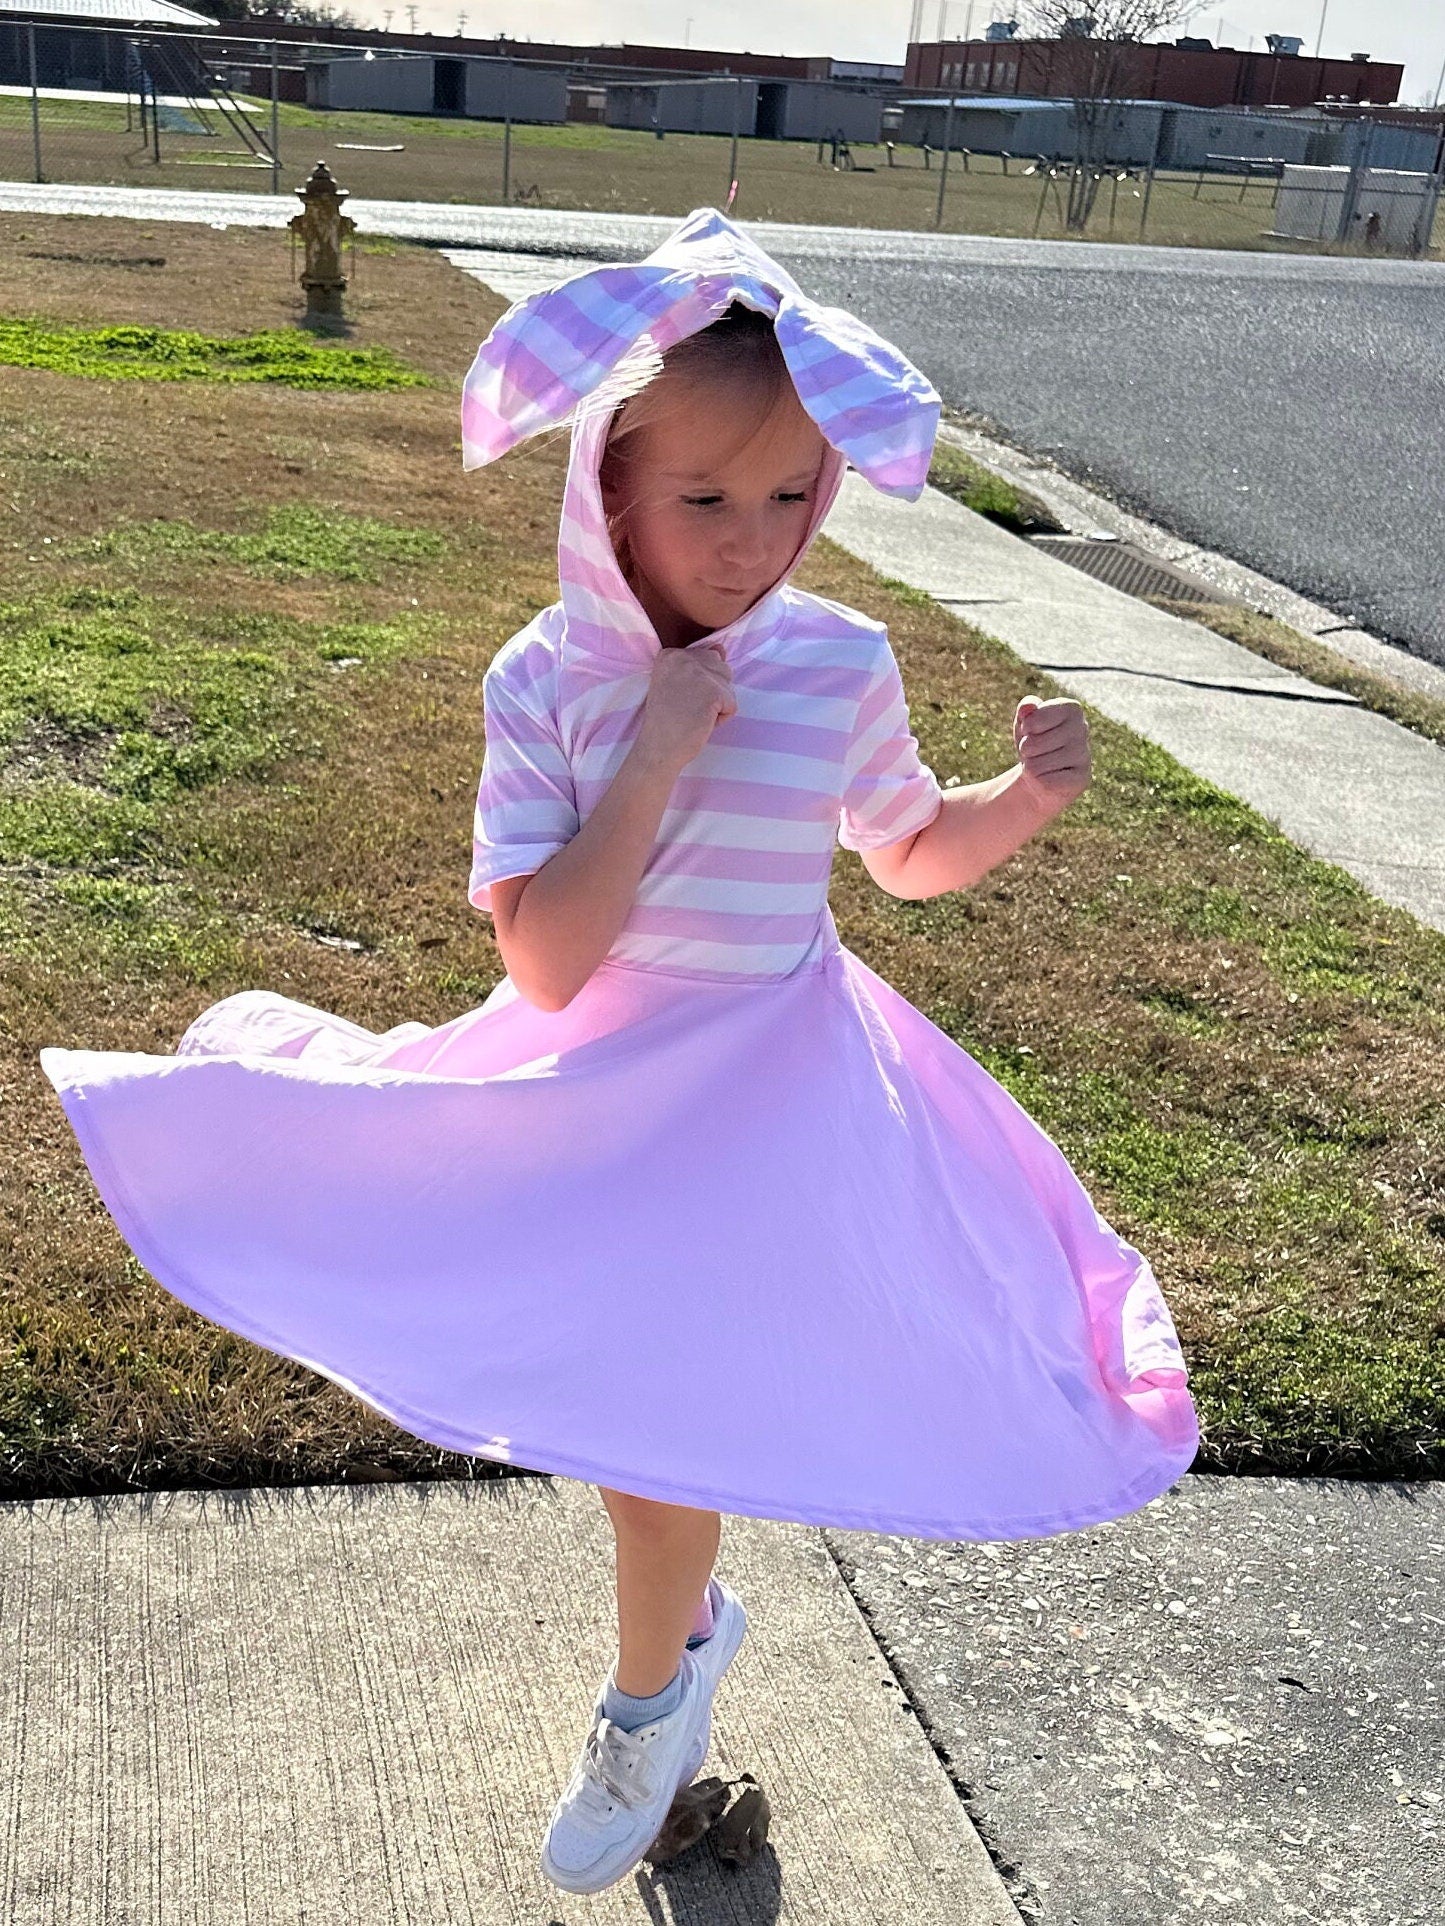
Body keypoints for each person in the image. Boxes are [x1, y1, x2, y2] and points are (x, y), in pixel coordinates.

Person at [40, 207, 1199, 1897]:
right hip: (599, 1097)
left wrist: (1016, 800)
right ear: (606, 491)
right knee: (614, 1413)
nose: (752, 543)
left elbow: (904, 852)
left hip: (781, 1102)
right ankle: (682, 1642)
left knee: (674, 1430)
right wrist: (653, 752)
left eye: (795, 497)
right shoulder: (554, 680)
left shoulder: (838, 658)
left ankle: (649, 1691)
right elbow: (551, 959)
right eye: (705, 500)